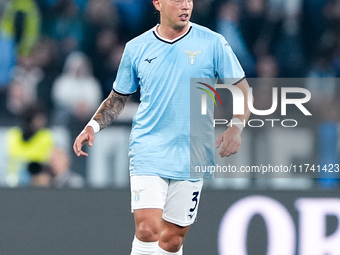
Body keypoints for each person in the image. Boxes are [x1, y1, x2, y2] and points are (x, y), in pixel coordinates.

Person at [73, 0, 251, 254]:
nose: (185, 5)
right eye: (178, 0)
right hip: (149, 147)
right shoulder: (136, 48)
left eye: (189, 0)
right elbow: (118, 96)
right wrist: (93, 126)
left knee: (172, 239)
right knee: (147, 229)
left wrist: (236, 126)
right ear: (158, 3)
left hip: (193, 152)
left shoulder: (213, 42)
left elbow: (242, 88)